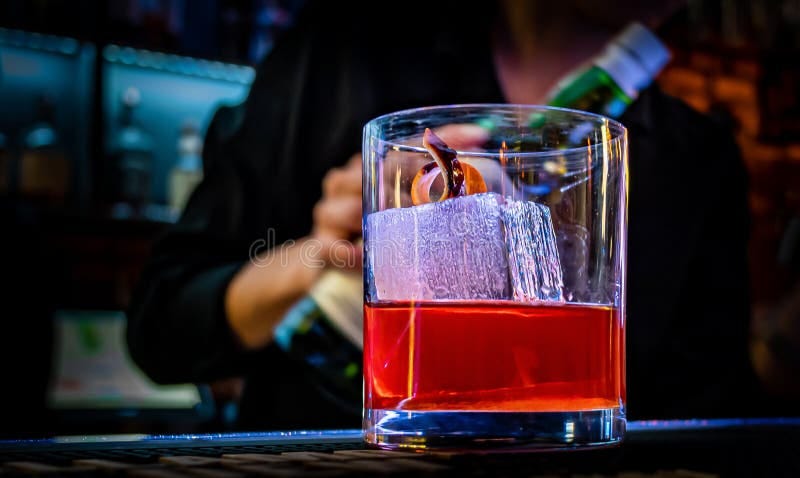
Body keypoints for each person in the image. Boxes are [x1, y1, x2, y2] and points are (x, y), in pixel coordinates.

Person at [127, 0, 760, 430]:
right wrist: (318, 255)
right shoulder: (339, 53)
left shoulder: (696, 158)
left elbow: (705, 411)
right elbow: (161, 329)